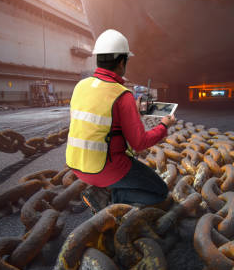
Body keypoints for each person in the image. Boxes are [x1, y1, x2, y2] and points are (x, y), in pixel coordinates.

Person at [66, 29, 176, 212]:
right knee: (159, 191)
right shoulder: (121, 95)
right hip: (105, 168)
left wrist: (132, 108)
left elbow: (99, 114)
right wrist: (164, 125)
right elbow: (139, 143)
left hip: (77, 165)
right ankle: (107, 194)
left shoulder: (81, 86)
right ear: (121, 62)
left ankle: (102, 190)